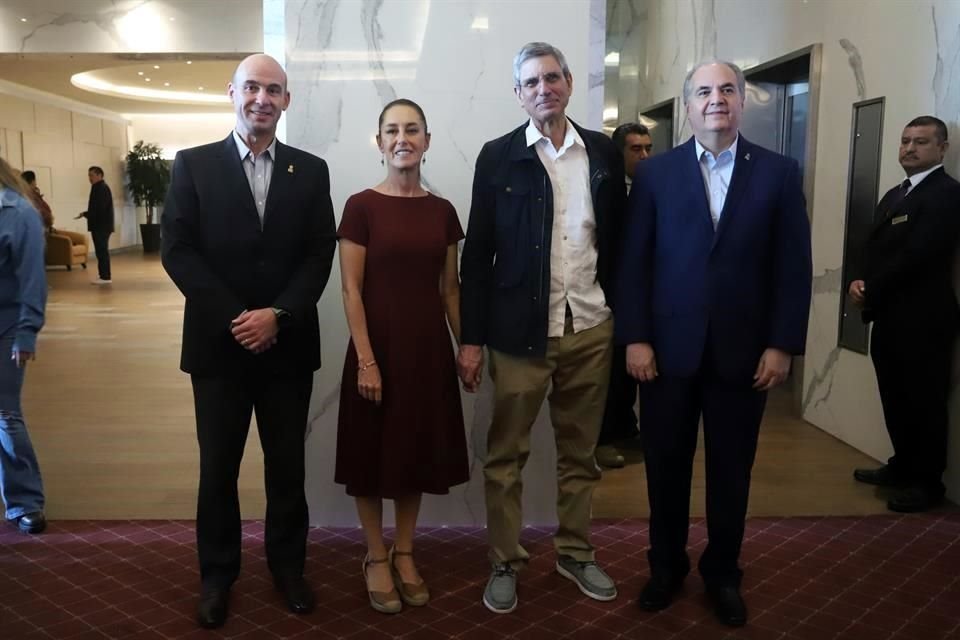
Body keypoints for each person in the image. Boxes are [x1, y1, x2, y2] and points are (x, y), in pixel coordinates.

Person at [615, 60, 811, 627]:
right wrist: (637, 338)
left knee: (732, 471)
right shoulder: (656, 175)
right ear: (688, 105)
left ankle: (723, 572)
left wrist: (782, 345)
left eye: (726, 89)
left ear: (741, 101)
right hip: (666, 354)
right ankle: (666, 567)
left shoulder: (778, 172)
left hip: (743, 356)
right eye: (704, 91)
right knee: (665, 468)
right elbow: (636, 266)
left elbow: (792, 269)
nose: (716, 99)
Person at [160, 53, 337, 629]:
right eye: (252, 88)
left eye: (274, 90)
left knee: (287, 468)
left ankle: (288, 568)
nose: (262, 99)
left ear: (287, 101)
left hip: (288, 347)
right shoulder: (193, 165)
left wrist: (278, 314)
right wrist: (241, 316)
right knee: (219, 470)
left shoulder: (310, 170)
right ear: (232, 93)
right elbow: (177, 251)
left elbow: (318, 255)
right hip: (218, 348)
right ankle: (217, 576)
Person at [459, 41, 626, 614]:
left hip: (591, 327)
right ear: (518, 94)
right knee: (505, 457)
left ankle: (575, 552)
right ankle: (505, 559)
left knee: (581, 455)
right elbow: (477, 255)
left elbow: (620, 245)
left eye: (551, 78)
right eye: (531, 82)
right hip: (518, 333)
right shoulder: (497, 156)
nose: (543, 89)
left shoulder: (602, 153)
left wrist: (624, 316)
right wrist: (472, 339)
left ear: (570, 83)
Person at [336, 98, 470, 614]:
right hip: (376, 350)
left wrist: (466, 350)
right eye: (392, 130)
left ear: (427, 141)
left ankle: (406, 551)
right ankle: (374, 555)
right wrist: (367, 360)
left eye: (412, 129)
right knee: (370, 456)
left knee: (414, 454)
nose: (402, 138)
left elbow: (450, 292)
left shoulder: (442, 211)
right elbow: (350, 290)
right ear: (379, 141)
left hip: (427, 351)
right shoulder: (361, 206)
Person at [849, 115, 960, 513]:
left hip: (924, 319)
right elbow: (876, 249)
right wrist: (860, 281)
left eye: (921, 142)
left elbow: (920, 254)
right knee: (895, 396)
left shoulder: (947, 194)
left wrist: (874, 287)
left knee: (924, 402)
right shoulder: (896, 194)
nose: (910, 148)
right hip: (891, 316)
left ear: (942, 149)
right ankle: (903, 465)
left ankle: (927, 482)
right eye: (905, 141)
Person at [595, 122, 654, 469]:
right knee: (611, 371)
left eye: (648, 148)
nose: (644, 155)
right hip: (609, 294)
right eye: (636, 149)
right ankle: (604, 437)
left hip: (650, 293)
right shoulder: (608, 190)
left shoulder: (657, 187)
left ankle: (628, 428)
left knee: (639, 368)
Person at [0, 157, 47, 535]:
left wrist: (27, 331)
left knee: (5, 417)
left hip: (6, 328)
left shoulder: (18, 212)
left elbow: (32, 279)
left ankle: (25, 502)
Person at [77, 166, 113, 284]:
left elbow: (100, 209)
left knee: (102, 251)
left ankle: (105, 277)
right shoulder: (97, 187)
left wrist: (87, 214)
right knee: (100, 251)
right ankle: (103, 274)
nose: (89, 178)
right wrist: (86, 213)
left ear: (99, 175)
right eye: (89, 175)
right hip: (99, 225)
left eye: (92, 175)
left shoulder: (101, 188)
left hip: (101, 226)